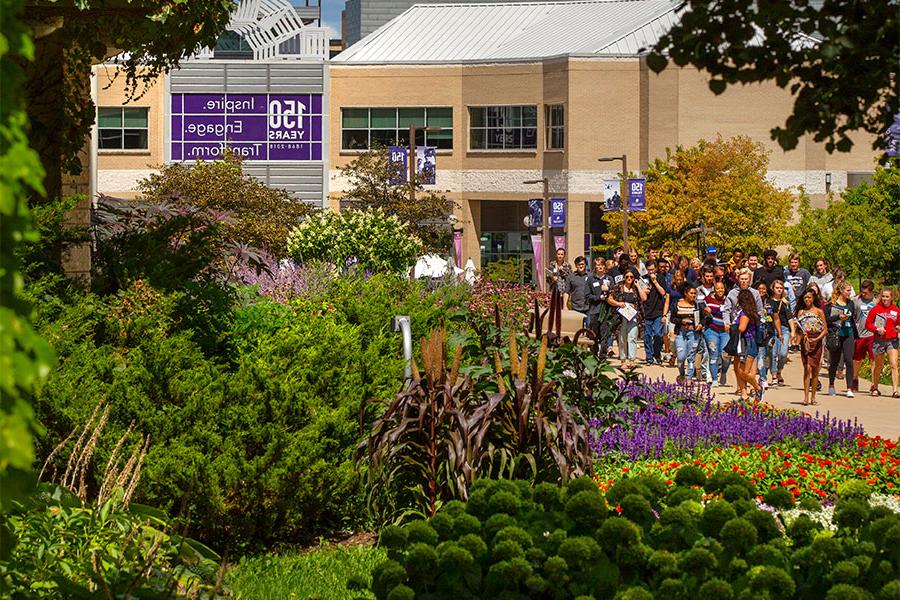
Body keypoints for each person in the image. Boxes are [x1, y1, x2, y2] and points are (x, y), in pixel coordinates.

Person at [825, 281, 859, 397]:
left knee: (849, 361)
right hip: (836, 334)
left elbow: (852, 316)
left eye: (850, 290)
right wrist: (838, 317)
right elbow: (826, 320)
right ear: (841, 291)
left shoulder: (850, 304)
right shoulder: (831, 304)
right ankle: (831, 385)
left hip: (848, 333)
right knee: (834, 361)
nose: (850, 293)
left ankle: (849, 388)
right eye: (848, 290)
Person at [608, 270, 647, 369]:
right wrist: (619, 304)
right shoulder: (618, 287)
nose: (629, 279)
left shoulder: (635, 288)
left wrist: (638, 286)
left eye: (631, 277)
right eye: (627, 277)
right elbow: (610, 299)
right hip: (621, 316)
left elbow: (644, 298)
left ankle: (632, 359)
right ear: (624, 277)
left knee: (632, 337)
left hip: (633, 316)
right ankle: (623, 360)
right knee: (622, 338)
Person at [865, 288, 900, 398]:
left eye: (887, 297)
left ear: (891, 298)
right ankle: (875, 387)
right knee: (878, 365)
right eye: (883, 296)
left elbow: (899, 324)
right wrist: (876, 329)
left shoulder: (896, 310)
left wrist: (898, 328)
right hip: (879, 340)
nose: (885, 299)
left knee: (894, 364)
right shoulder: (876, 309)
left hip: (892, 340)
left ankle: (895, 390)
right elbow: (868, 324)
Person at [797, 288, 827, 406]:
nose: (807, 300)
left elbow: (825, 329)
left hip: (816, 340)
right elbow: (799, 329)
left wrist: (817, 339)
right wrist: (798, 336)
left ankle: (813, 397)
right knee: (807, 368)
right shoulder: (800, 312)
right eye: (805, 298)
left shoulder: (819, 311)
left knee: (815, 370)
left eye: (809, 297)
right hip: (805, 341)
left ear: (813, 298)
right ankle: (805, 397)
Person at [731, 289, 763, 400]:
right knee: (739, 369)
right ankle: (744, 395)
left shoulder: (745, 313)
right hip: (746, 342)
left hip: (747, 343)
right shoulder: (751, 312)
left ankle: (758, 387)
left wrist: (731, 328)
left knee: (744, 372)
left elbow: (741, 328)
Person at [671, 282, 702, 384]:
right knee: (680, 357)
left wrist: (701, 324)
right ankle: (682, 374)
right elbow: (672, 319)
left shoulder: (698, 305)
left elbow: (705, 318)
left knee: (691, 357)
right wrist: (681, 321)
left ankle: (689, 379)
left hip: (693, 334)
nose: (693, 295)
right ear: (686, 293)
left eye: (695, 293)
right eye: (691, 293)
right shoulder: (677, 305)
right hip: (681, 333)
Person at [767, 279, 796, 386]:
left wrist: (793, 331)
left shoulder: (785, 302)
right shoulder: (768, 301)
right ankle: (774, 375)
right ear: (773, 289)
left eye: (781, 288)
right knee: (773, 353)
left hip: (784, 329)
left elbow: (790, 317)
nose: (779, 290)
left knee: (783, 353)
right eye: (777, 288)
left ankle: (779, 371)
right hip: (771, 329)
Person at [852, 280, 878, 393]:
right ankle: (855, 378)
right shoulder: (856, 301)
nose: (863, 294)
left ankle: (874, 384)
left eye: (866, 293)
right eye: (862, 292)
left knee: (874, 359)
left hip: (872, 335)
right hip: (859, 334)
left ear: (871, 292)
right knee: (857, 360)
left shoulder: (876, 302)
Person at [640, 259, 668, 365]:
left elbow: (663, 292)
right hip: (647, 311)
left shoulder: (661, 278)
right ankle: (649, 357)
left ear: (656, 268)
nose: (651, 272)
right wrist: (642, 290)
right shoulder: (643, 279)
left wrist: (655, 281)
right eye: (649, 270)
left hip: (658, 311)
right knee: (647, 335)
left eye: (652, 269)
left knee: (657, 334)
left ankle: (657, 354)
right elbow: (642, 296)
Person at [703, 281, 729, 386]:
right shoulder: (707, 299)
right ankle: (714, 379)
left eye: (722, 288)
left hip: (725, 331)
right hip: (711, 330)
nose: (720, 291)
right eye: (718, 288)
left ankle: (723, 372)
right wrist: (705, 311)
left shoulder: (728, 300)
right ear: (714, 289)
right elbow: (702, 312)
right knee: (713, 353)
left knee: (725, 355)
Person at [587, 257, 614, 358]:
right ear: (595, 266)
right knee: (594, 335)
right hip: (594, 310)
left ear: (604, 266)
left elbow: (614, 293)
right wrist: (599, 297)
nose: (600, 267)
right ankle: (594, 354)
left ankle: (602, 356)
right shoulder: (590, 279)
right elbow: (587, 296)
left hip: (606, 311)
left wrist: (609, 290)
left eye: (601, 264)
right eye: (597, 265)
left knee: (605, 334)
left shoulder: (609, 279)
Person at [663, 268, 687, 366]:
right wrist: (664, 314)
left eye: (680, 279)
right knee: (670, 337)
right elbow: (667, 302)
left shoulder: (686, 288)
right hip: (672, 314)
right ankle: (673, 354)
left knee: (679, 337)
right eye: (677, 279)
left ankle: (674, 356)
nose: (678, 281)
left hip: (683, 313)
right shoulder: (670, 288)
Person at [755, 281, 775, 392]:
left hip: (770, 332)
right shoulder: (753, 302)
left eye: (763, 289)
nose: (761, 291)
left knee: (769, 355)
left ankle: (767, 372)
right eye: (759, 288)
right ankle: (763, 378)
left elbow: (776, 318)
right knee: (761, 356)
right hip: (758, 333)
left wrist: (779, 333)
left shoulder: (771, 302)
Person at [567, 256, 591, 326]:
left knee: (589, 327)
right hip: (576, 307)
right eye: (579, 264)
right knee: (576, 327)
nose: (581, 266)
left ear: (585, 265)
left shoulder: (591, 276)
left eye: (582, 264)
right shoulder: (571, 277)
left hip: (588, 307)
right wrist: (565, 306)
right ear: (576, 265)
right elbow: (566, 292)